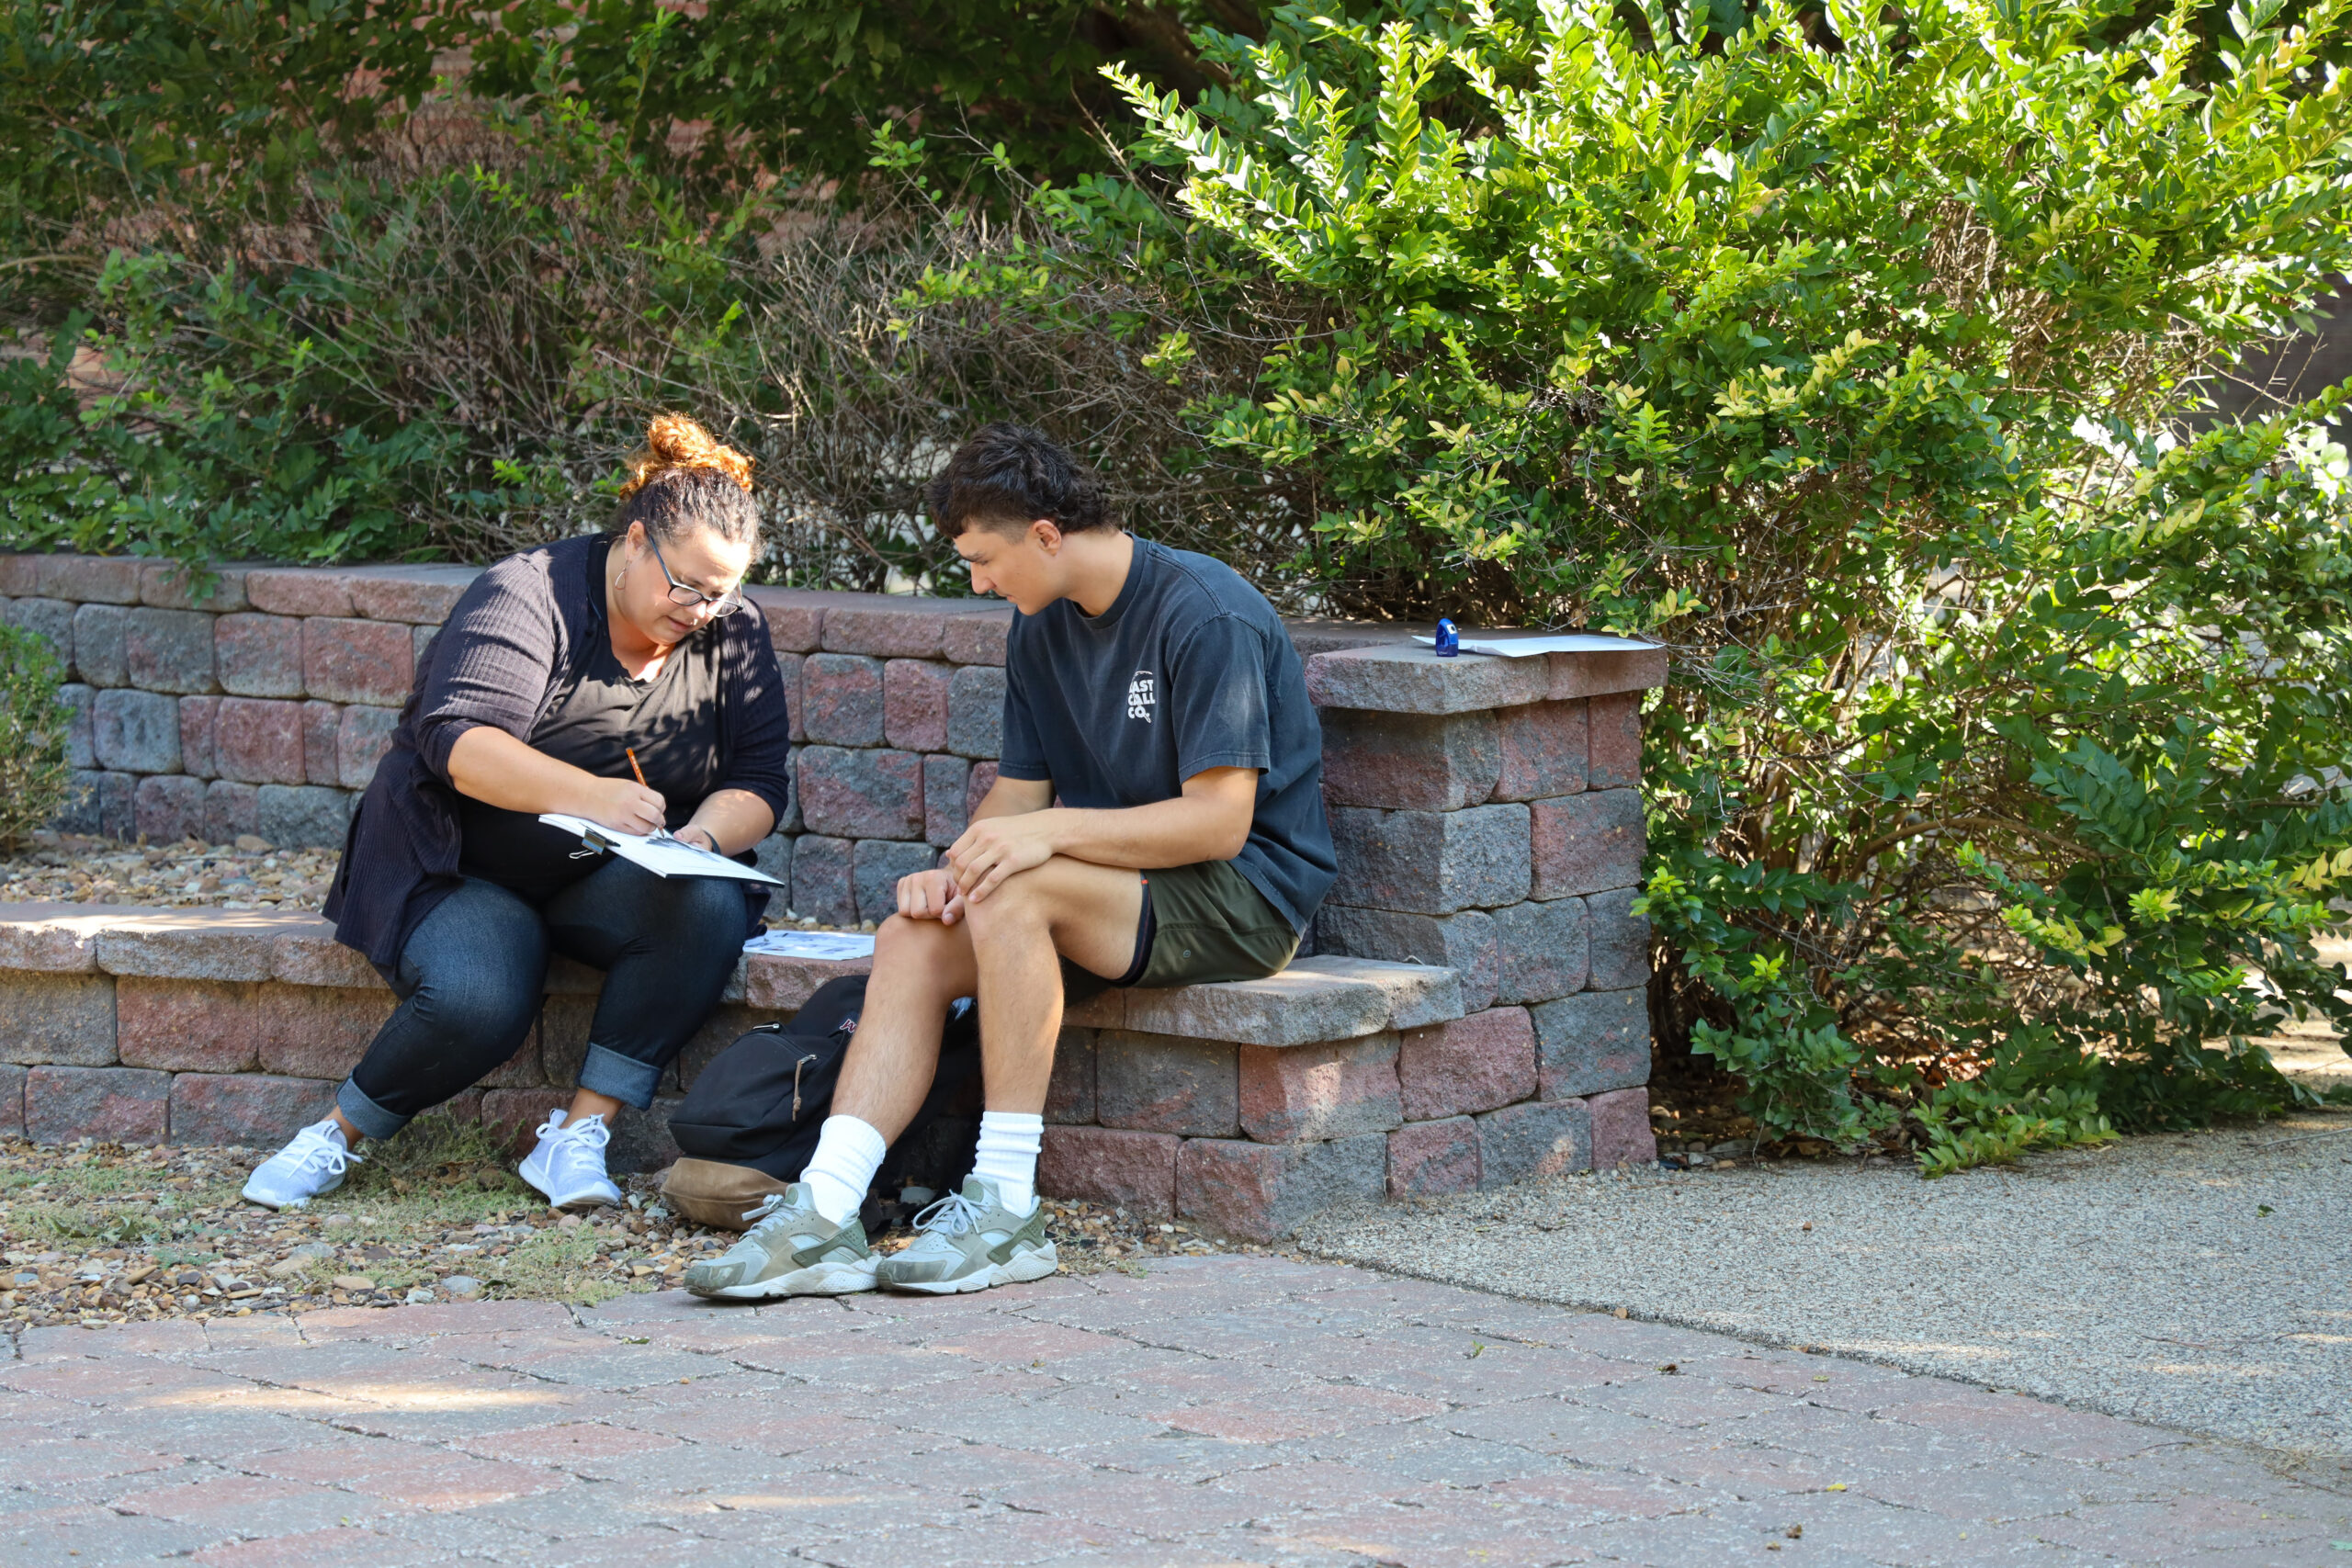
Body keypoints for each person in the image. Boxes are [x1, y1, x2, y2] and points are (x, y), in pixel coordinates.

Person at [686, 423, 1335, 1299]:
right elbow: (1021, 801)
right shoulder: (1040, 626)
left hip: (1241, 897)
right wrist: (954, 872)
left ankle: (1005, 1208)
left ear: (1046, 533)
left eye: (985, 558)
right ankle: (823, 1214)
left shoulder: (1203, 612)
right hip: (1104, 892)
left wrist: (1041, 843)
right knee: (916, 933)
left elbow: (1220, 824)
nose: (980, 581)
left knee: (1016, 892)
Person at [240, 415, 793, 1212]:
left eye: (722, 590)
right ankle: (335, 1133)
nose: (703, 609)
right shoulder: (531, 592)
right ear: (636, 541)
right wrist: (594, 794)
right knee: (479, 999)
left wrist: (699, 839)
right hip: (462, 862)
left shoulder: (730, 629)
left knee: (710, 903)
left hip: (602, 873)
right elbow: (457, 741)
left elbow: (760, 780)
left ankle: (576, 1136)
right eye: (686, 585)